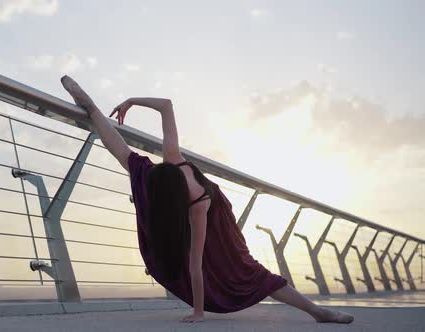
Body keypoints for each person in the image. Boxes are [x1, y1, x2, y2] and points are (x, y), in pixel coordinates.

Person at [60, 75, 354, 324]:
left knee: (249, 272)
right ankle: (317, 311)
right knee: (131, 161)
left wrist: (199, 312)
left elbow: (196, 263)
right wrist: (132, 101)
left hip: (218, 224)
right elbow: (166, 106)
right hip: (184, 200)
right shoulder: (173, 160)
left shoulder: (196, 205)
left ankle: (318, 312)